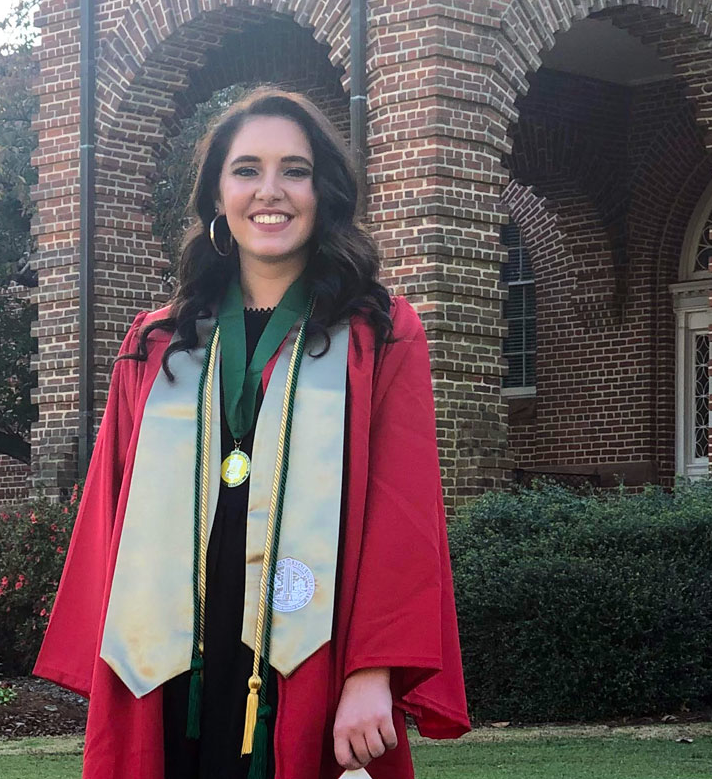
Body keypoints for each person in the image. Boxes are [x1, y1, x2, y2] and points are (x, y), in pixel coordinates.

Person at [35, 87, 470, 779]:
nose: (271, 191)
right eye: (246, 170)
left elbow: (404, 516)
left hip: (311, 660)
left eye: (295, 170)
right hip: (173, 669)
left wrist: (372, 675)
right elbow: (109, 521)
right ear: (216, 196)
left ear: (324, 189)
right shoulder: (158, 343)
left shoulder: (378, 333)